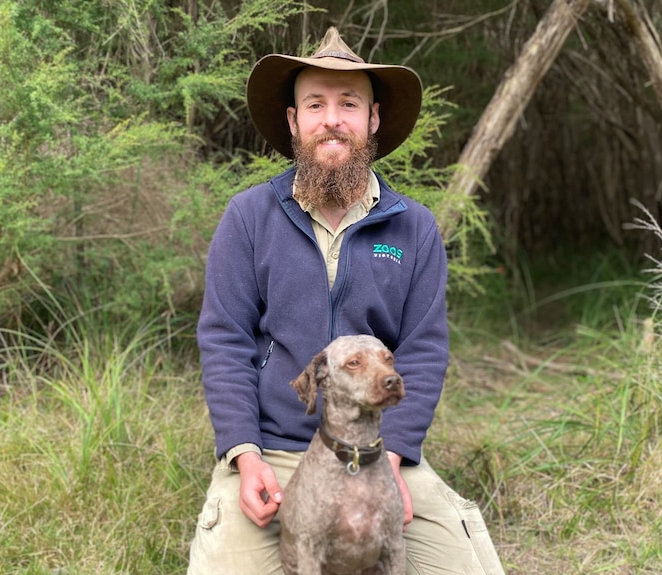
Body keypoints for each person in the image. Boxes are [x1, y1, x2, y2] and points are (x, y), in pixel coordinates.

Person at [187, 27, 505, 575]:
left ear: (372, 119)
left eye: (348, 104)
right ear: (294, 122)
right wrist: (244, 453)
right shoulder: (249, 218)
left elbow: (424, 350)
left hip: (380, 452)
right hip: (277, 452)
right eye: (315, 104)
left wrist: (397, 459)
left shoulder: (414, 228)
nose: (332, 119)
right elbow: (224, 341)